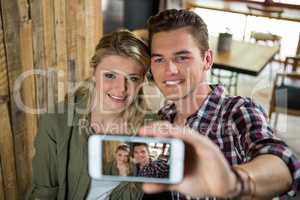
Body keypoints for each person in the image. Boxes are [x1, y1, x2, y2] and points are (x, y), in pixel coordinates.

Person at [139, 9, 300, 200]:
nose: (169, 69)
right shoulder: (163, 117)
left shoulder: (238, 111)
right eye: (159, 59)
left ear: (207, 59)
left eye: (182, 57)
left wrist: (233, 182)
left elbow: (282, 164)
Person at [28, 30, 150, 200]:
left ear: (142, 80)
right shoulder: (56, 121)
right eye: (110, 75)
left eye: (133, 78)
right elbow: (44, 193)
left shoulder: (151, 128)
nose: (121, 88)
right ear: (94, 72)